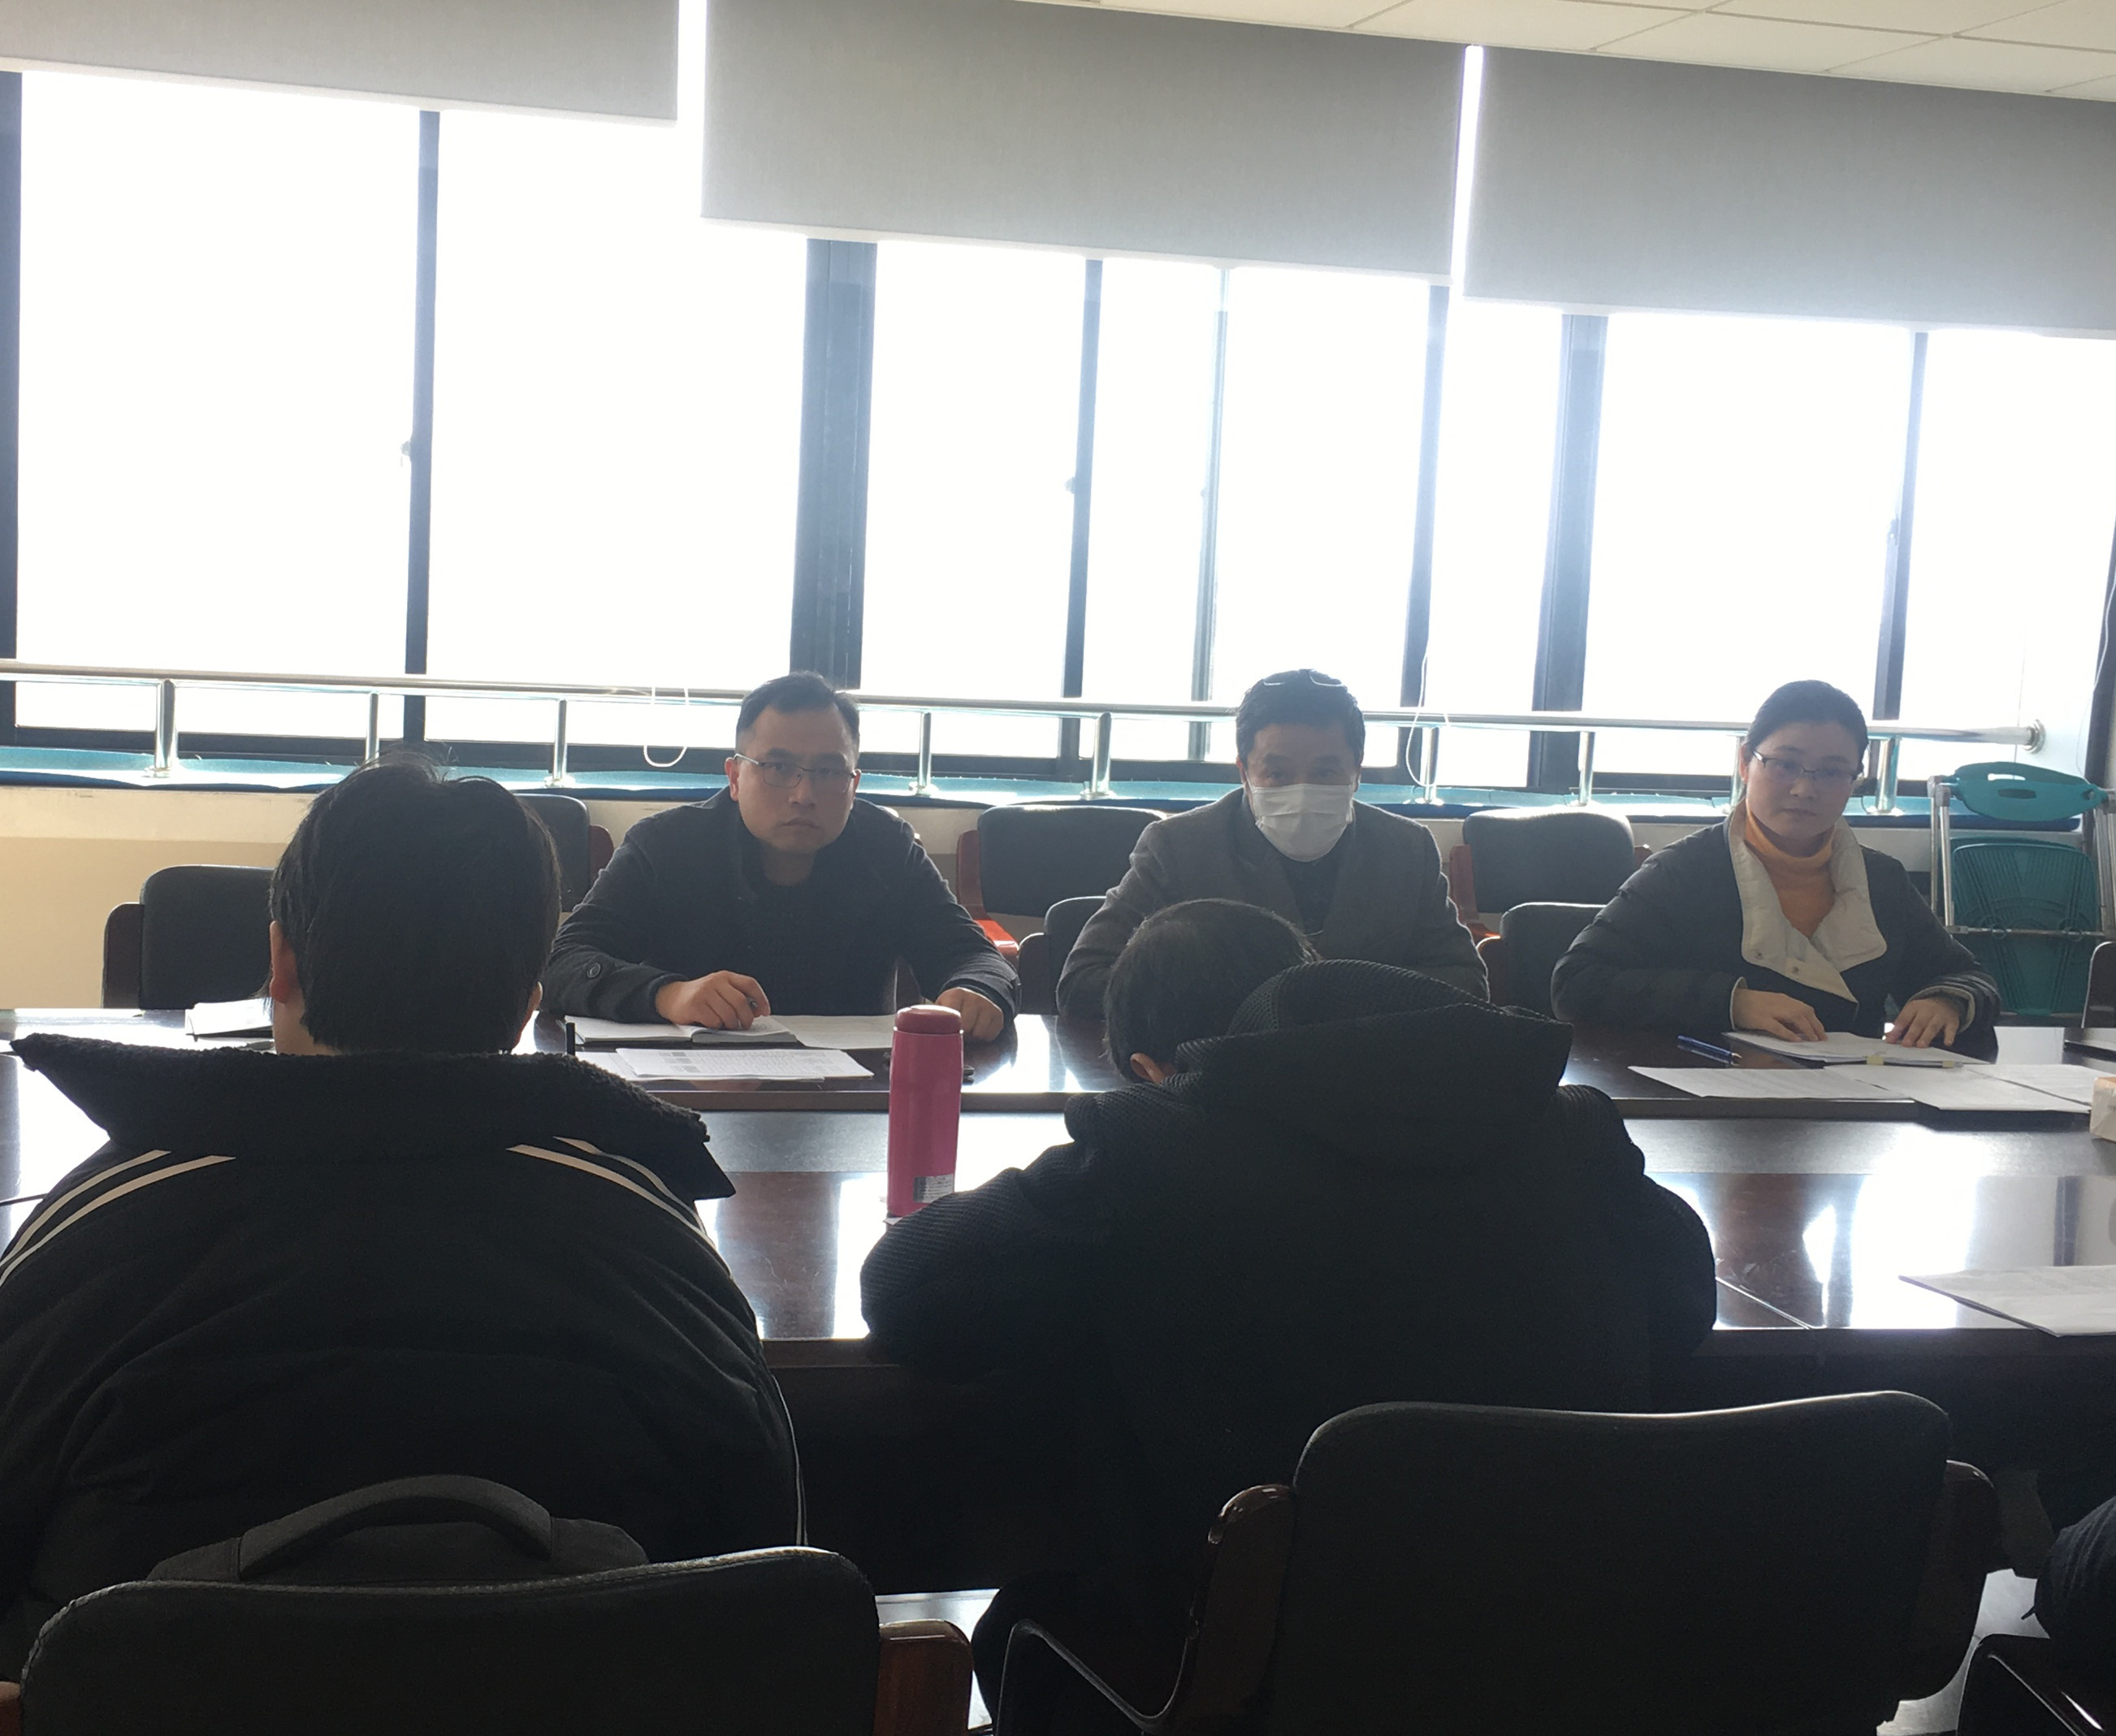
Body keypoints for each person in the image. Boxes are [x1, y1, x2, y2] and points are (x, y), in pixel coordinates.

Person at [0, 758, 798, 1676]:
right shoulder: (651, 1230)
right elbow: (764, 1567)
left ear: (279, 966)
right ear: (529, 1003)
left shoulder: (102, 1225)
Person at [863, 898, 1716, 1704]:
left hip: (1250, 1681)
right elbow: (1684, 1309)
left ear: (1154, 1072)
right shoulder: (1570, 1129)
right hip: (1581, 1662)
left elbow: (906, 1294)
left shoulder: (1152, 1145)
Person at [543, 671, 1016, 1040]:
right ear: (735, 777)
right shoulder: (664, 846)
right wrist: (668, 995)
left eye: (829, 772)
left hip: (851, 1096)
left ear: (854, 784)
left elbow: (974, 957)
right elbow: (564, 962)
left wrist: (976, 991)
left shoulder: (887, 847)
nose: (803, 794)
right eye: (778, 767)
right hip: (691, 1091)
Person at [1551, 680, 2000, 1053]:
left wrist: (1946, 1001)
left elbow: (1968, 976)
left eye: (1831, 772)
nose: (1805, 789)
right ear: (1745, 763)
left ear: (1854, 781)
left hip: (1853, 1105)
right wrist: (1734, 1003)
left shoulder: (1881, 880)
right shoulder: (1683, 872)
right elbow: (1577, 983)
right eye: (1785, 765)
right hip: (1712, 1101)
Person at [1057, 669, 1483, 1020]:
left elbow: (1466, 981)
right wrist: (1246, 1007)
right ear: (1244, 773)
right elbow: (1083, 982)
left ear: (1357, 771)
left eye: (1325, 772)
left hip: (1366, 1073)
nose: (1302, 790)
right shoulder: (1179, 847)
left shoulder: (1406, 848)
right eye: (1277, 774)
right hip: (1224, 1074)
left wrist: (1353, 1002)